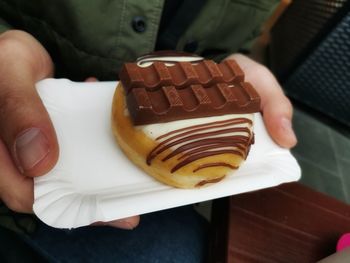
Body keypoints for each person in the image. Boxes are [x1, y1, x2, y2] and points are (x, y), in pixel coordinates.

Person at [0, 0, 297, 262]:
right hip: (40, 159)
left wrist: (236, 65)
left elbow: (228, 48)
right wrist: (8, 42)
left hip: (173, 182)